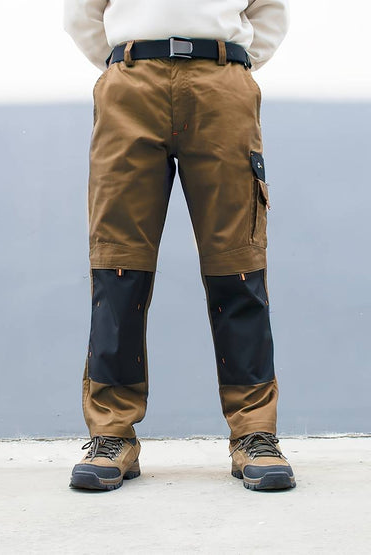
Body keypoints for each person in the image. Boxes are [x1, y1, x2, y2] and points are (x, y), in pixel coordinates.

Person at [64, 0, 296, 492]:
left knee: (237, 263)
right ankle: (112, 434)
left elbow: (270, 10)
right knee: (119, 264)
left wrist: (233, 64)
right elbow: (82, 12)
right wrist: (125, 60)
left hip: (221, 82)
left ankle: (254, 432)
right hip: (130, 83)